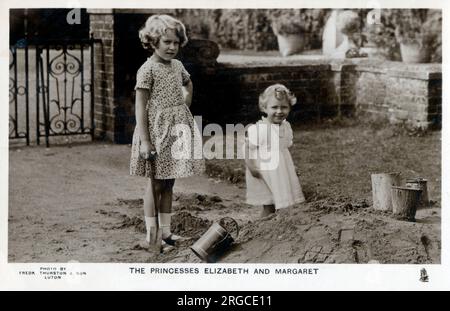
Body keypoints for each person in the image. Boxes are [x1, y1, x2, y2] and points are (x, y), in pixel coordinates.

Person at [130, 15, 205, 252]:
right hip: (155, 132)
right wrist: (145, 141)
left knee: (169, 183)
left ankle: (167, 232)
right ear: (153, 41)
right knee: (155, 185)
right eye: (166, 42)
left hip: (176, 131)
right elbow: (140, 106)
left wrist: (185, 104)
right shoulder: (147, 69)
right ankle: (152, 238)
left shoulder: (177, 66)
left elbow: (187, 83)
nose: (172, 47)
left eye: (175, 42)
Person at [244, 84, 305, 218]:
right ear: (264, 108)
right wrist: (251, 166)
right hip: (264, 172)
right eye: (274, 107)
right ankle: (263, 228)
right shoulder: (260, 129)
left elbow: (283, 150)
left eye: (284, 107)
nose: (279, 111)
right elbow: (248, 147)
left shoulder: (286, 127)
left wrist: (291, 167)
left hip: (281, 171)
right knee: (269, 202)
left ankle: (281, 224)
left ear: (289, 108)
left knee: (284, 199)